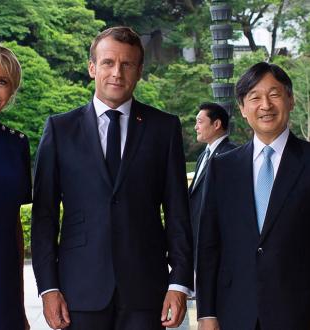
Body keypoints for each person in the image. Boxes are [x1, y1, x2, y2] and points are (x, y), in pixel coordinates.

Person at [31, 26, 193, 330]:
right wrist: (48, 288)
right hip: (78, 291)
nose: (117, 72)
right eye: (108, 63)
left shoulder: (164, 128)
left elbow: (178, 213)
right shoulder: (59, 129)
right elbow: (44, 216)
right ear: (92, 68)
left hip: (147, 291)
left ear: (139, 71)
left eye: (127, 64)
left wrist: (180, 283)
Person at [196, 62, 310, 330]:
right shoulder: (222, 167)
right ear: (243, 109)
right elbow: (209, 244)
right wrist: (206, 313)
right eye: (254, 97)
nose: (265, 105)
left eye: (274, 94)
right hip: (235, 311)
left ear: (290, 100)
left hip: (301, 311)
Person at [0, 42, 31, 330]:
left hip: (2, 287)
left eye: (1, 81)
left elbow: (14, 227)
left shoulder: (17, 144)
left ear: (11, 90)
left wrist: (19, 303)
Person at [189, 102, 236, 265]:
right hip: (197, 240)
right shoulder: (203, 155)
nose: (196, 127)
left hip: (217, 244)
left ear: (216, 124)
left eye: (200, 122)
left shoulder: (231, 154)